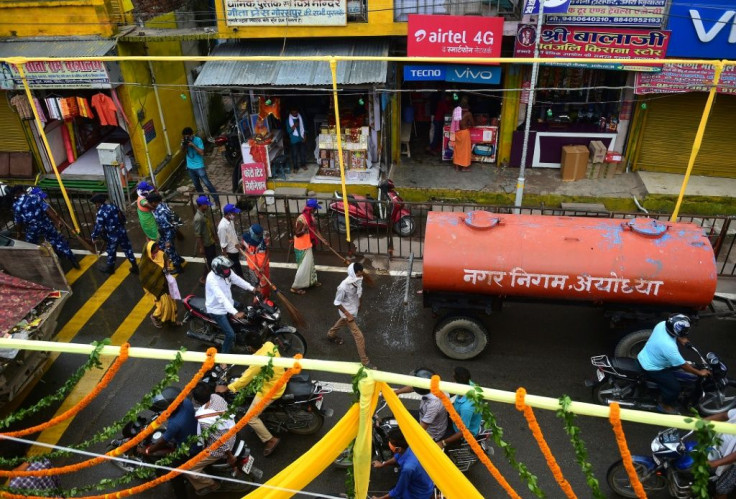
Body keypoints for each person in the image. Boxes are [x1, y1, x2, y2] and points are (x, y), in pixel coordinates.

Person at [216, 340, 283, 457]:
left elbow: (245, 379)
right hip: (278, 378)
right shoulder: (269, 344)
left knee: (250, 417)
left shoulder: (258, 363)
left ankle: (271, 440)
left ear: (251, 347)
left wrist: (228, 387)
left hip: (271, 389)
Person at [637, 314, 710, 414]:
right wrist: (699, 372)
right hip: (653, 367)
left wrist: (681, 338)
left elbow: (672, 332)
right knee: (674, 388)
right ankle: (664, 405)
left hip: (646, 355)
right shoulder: (669, 347)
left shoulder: (662, 324)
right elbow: (684, 365)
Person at [143, 386, 199, 497]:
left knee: (174, 473)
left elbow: (161, 442)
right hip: (194, 431)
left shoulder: (174, 424)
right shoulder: (186, 402)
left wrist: (147, 450)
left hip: (190, 448)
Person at [186, 382, 237, 495]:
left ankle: (213, 485)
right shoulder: (216, 396)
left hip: (224, 446)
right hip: (232, 431)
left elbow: (219, 441)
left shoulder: (202, 419)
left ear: (197, 401)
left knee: (189, 469)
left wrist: (230, 456)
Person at [11, 185, 79, 269]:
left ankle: (39, 266)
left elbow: (18, 221)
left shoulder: (16, 205)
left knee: (31, 245)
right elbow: (48, 210)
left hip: (32, 228)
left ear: (16, 194)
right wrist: (57, 221)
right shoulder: (36, 197)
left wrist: (19, 232)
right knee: (58, 241)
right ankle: (72, 259)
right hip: (45, 224)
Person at [205, 256, 255, 365]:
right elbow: (221, 298)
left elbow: (237, 280)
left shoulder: (226, 272)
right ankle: (223, 360)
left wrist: (252, 288)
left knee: (245, 309)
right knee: (230, 334)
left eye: (228, 268)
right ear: (218, 269)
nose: (228, 270)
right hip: (217, 310)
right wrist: (235, 312)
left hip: (229, 302)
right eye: (225, 269)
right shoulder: (212, 279)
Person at [326, 263, 375, 369]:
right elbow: (337, 302)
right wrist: (348, 315)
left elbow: (358, 293)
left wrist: (359, 304)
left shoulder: (357, 280)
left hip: (353, 309)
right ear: (353, 274)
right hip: (347, 312)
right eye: (358, 275)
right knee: (359, 336)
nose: (360, 277)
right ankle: (365, 362)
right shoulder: (343, 287)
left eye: (361, 274)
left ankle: (331, 334)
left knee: (341, 321)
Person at [371, 428, 434, 499]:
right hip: (424, 483)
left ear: (399, 449)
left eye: (391, 443)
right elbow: (397, 457)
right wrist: (382, 464)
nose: (389, 444)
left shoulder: (408, 468)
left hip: (418, 494)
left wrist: (379, 498)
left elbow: (398, 490)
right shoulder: (409, 446)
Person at [89, 193, 138, 275]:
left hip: (112, 236)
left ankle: (110, 269)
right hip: (122, 232)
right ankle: (135, 266)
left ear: (97, 203)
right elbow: (123, 218)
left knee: (111, 252)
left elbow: (98, 227)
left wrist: (94, 237)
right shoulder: (113, 206)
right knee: (128, 250)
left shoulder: (101, 212)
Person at [394, 367, 448, 442]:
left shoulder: (434, 404)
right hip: (423, 416)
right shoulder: (434, 386)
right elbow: (413, 387)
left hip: (431, 433)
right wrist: (397, 392)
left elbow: (423, 427)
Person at [139, 241, 180, 328]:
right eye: (154, 251)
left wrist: (168, 268)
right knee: (163, 305)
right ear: (149, 252)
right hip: (154, 288)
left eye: (157, 249)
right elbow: (146, 281)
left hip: (164, 283)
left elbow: (166, 259)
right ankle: (155, 317)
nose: (157, 252)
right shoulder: (144, 265)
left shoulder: (161, 254)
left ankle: (173, 320)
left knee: (172, 302)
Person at [438, 366, 482, 449]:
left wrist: (443, 442)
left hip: (458, 429)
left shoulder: (466, 408)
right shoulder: (469, 384)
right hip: (456, 415)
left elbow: (463, 431)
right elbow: (453, 391)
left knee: (436, 440)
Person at [147, 192, 184, 275]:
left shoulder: (161, 212)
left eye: (149, 202)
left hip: (168, 232)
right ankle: (178, 259)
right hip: (165, 231)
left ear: (153, 202)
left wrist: (168, 241)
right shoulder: (161, 205)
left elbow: (168, 228)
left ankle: (178, 267)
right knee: (165, 246)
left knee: (168, 248)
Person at [290, 198, 322, 294]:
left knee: (310, 264)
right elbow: (297, 233)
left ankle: (312, 281)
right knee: (303, 267)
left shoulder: (311, 218)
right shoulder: (301, 219)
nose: (316, 210)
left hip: (308, 244)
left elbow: (316, 231)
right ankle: (295, 287)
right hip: (301, 246)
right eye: (315, 209)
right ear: (311, 209)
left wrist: (323, 239)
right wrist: (304, 229)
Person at [182, 127, 220, 206]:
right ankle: (203, 201)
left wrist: (193, 145)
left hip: (199, 166)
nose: (187, 138)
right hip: (190, 167)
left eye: (188, 136)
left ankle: (216, 199)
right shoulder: (184, 141)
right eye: (185, 137)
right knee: (197, 185)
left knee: (207, 183)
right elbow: (183, 151)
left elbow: (202, 153)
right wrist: (184, 145)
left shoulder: (198, 140)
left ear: (192, 135)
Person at [706, 409, 736, 499]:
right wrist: (700, 422)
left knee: (721, 489)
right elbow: (724, 416)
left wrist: (715, 463)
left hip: (733, 464)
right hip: (718, 449)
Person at [193, 195, 217, 285]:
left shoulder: (204, 214)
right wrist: (201, 247)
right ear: (202, 205)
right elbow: (198, 235)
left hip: (210, 240)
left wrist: (214, 236)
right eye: (206, 204)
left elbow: (208, 226)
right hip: (206, 244)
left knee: (213, 259)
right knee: (209, 261)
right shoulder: (198, 218)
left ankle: (212, 274)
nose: (207, 206)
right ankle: (203, 278)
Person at [242, 223, 271, 299]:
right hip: (253, 265)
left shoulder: (264, 241)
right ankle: (260, 293)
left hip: (263, 267)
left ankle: (264, 296)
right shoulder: (246, 238)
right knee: (257, 281)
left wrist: (263, 266)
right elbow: (243, 247)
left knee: (264, 282)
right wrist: (239, 247)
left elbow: (267, 252)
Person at [217, 203, 244, 278]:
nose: (235, 214)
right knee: (232, 265)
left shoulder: (230, 221)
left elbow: (232, 234)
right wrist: (225, 254)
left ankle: (239, 277)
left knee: (235, 264)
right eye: (233, 213)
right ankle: (234, 278)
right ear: (229, 214)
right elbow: (223, 242)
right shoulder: (222, 226)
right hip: (230, 251)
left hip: (235, 248)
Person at [452, 97, 474, 172]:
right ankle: (464, 168)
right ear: (467, 105)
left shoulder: (455, 111)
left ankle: (457, 167)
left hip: (457, 132)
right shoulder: (468, 113)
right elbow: (473, 124)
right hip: (464, 133)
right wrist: (468, 124)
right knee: (465, 150)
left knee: (457, 150)